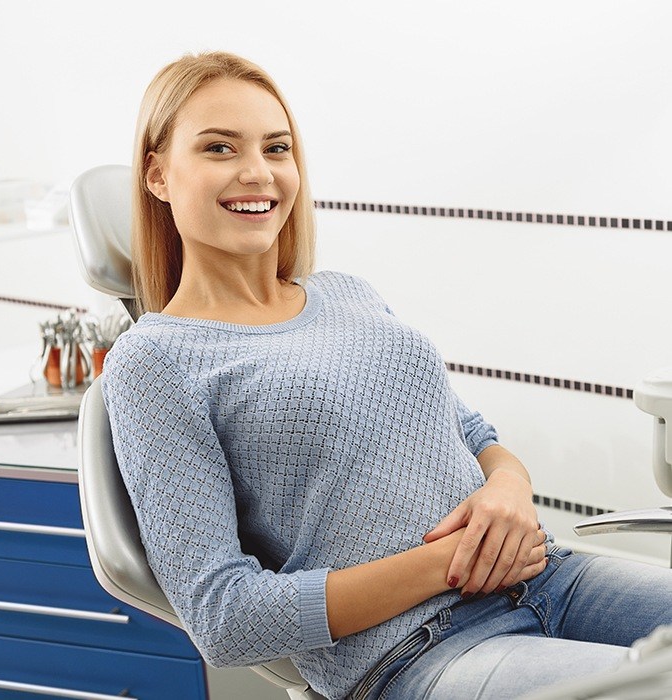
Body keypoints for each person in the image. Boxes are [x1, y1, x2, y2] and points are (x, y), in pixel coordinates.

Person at [101, 51, 672, 700]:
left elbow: (470, 433)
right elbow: (225, 617)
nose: (257, 172)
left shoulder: (349, 294)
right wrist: (447, 565)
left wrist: (509, 488)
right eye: (219, 148)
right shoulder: (153, 363)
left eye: (277, 147)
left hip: (549, 578)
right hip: (414, 651)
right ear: (157, 174)